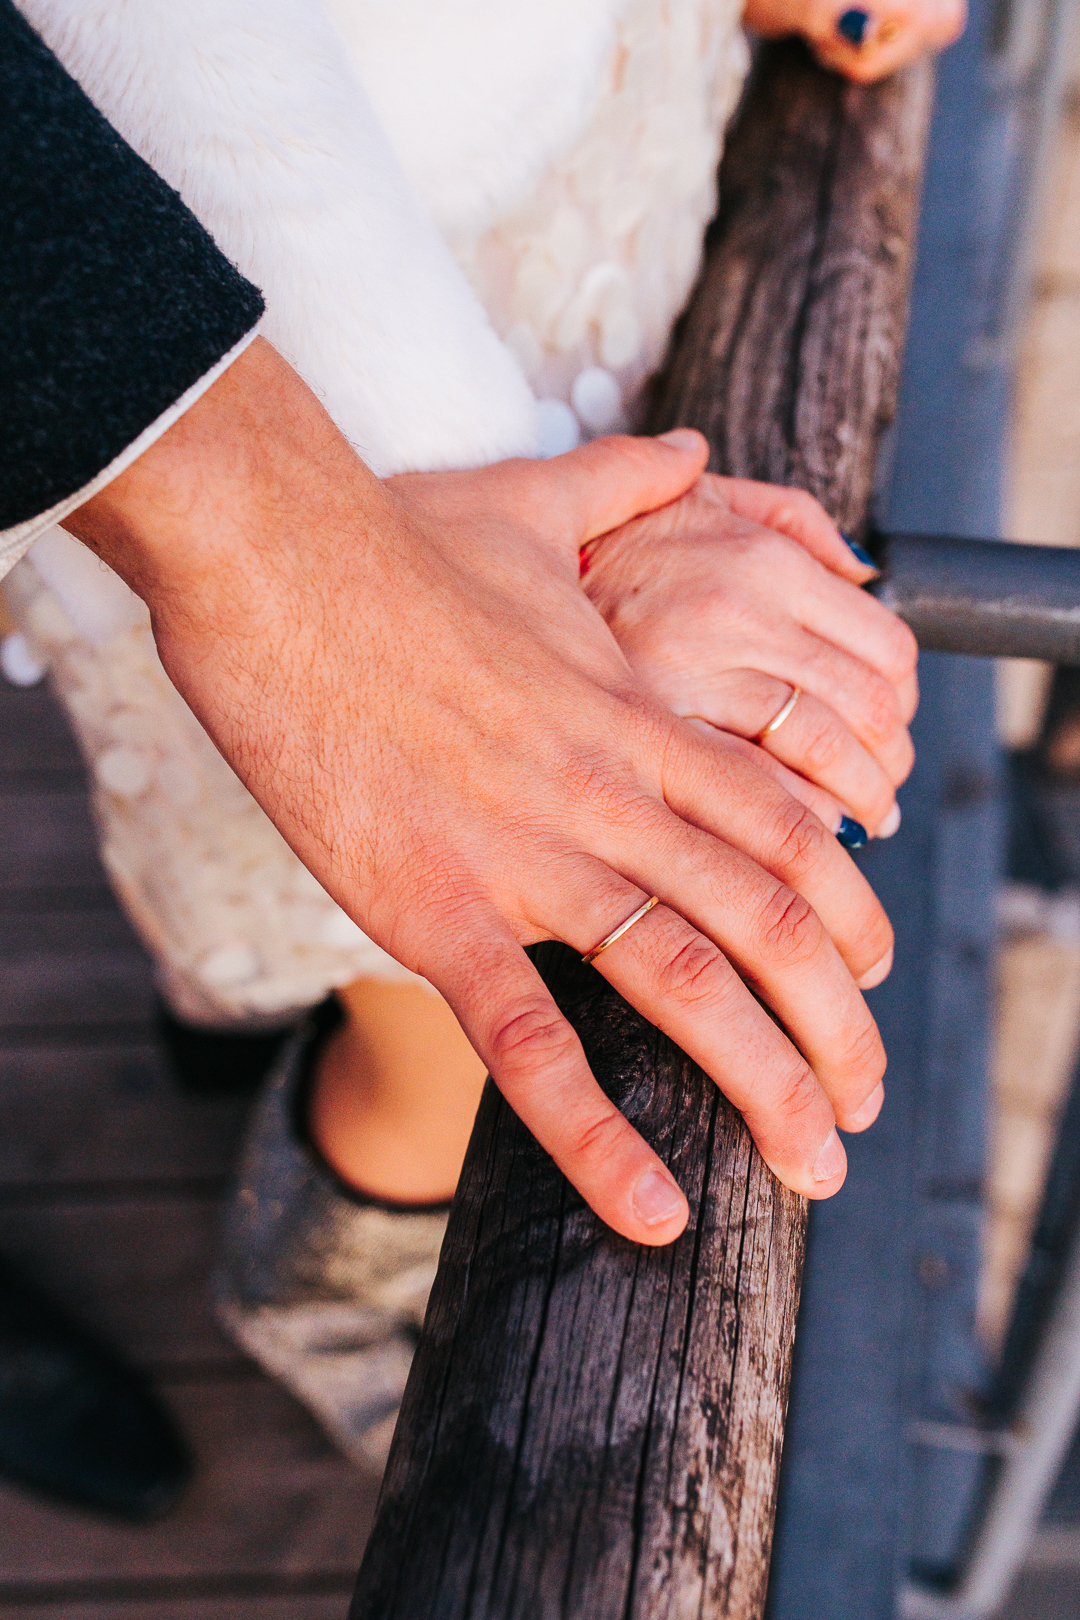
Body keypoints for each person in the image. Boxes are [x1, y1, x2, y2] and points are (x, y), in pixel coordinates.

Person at [2, 0, 960, 1470]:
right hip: (276, 302)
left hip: (573, 133)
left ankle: (251, 1064)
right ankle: (317, 1282)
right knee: (435, 980)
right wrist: (422, 528)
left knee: (473, 917)